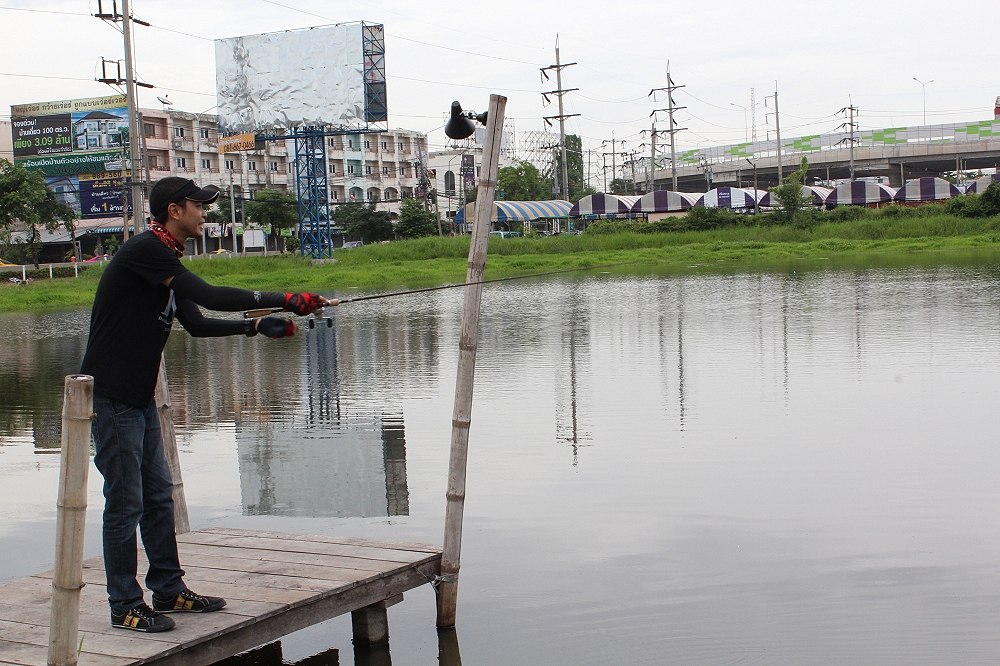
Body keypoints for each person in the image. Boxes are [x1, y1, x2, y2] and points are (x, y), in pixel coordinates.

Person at [80, 176, 329, 632]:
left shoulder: (165, 261)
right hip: (112, 398)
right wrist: (285, 299)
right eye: (200, 206)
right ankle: (124, 605)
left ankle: (169, 590)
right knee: (125, 503)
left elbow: (195, 322)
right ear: (175, 210)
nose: (205, 213)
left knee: (158, 496)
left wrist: (256, 328)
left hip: (137, 398)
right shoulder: (145, 252)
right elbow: (212, 295)